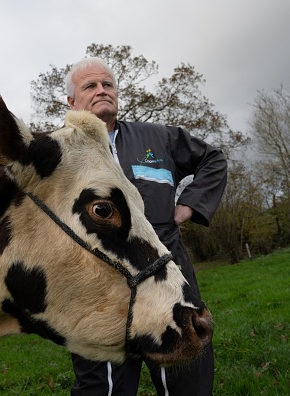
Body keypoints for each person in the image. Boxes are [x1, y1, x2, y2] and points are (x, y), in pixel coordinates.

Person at [66, 57, 227, 396]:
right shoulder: (60, 151)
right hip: (98, 294)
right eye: (90, 86)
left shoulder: (157, 138)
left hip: (168, 281)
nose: (101, 91)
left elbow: (213, 159)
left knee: (187, 383)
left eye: (108, 84)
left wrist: (188, 207)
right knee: (102, 388)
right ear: (71, 101)